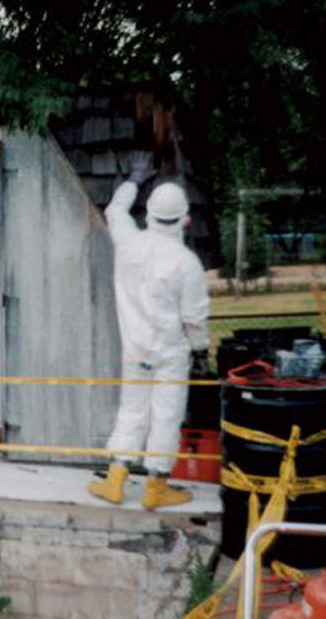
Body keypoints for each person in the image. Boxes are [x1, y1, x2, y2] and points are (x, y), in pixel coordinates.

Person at [89, 159, 211, 510]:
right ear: (185, 219)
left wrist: (135, 179)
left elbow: (115, 209)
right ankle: (155, 488)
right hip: (170, 353)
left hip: (136, 349)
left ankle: (115, 481)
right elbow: (194, 317)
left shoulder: (128, 242)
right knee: (166, 415)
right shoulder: (185, 262)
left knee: (132, 411)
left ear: (150, 215)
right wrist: (201, 351)